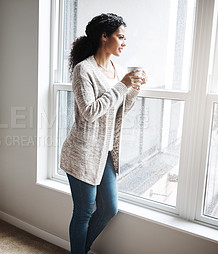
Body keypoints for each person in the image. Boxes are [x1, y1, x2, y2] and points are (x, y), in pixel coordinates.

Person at [60, 13, 147, 254]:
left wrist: (133, 89)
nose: (124, 43)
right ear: (104, 36)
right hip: (81, 152)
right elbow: (90, 112)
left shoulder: (117, 69)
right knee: (84, 211)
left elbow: (119, 111)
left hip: (105, 152)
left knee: (109, 208)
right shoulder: (83, 70)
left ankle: (80, 249)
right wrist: (123, 85)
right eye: (120, 37)